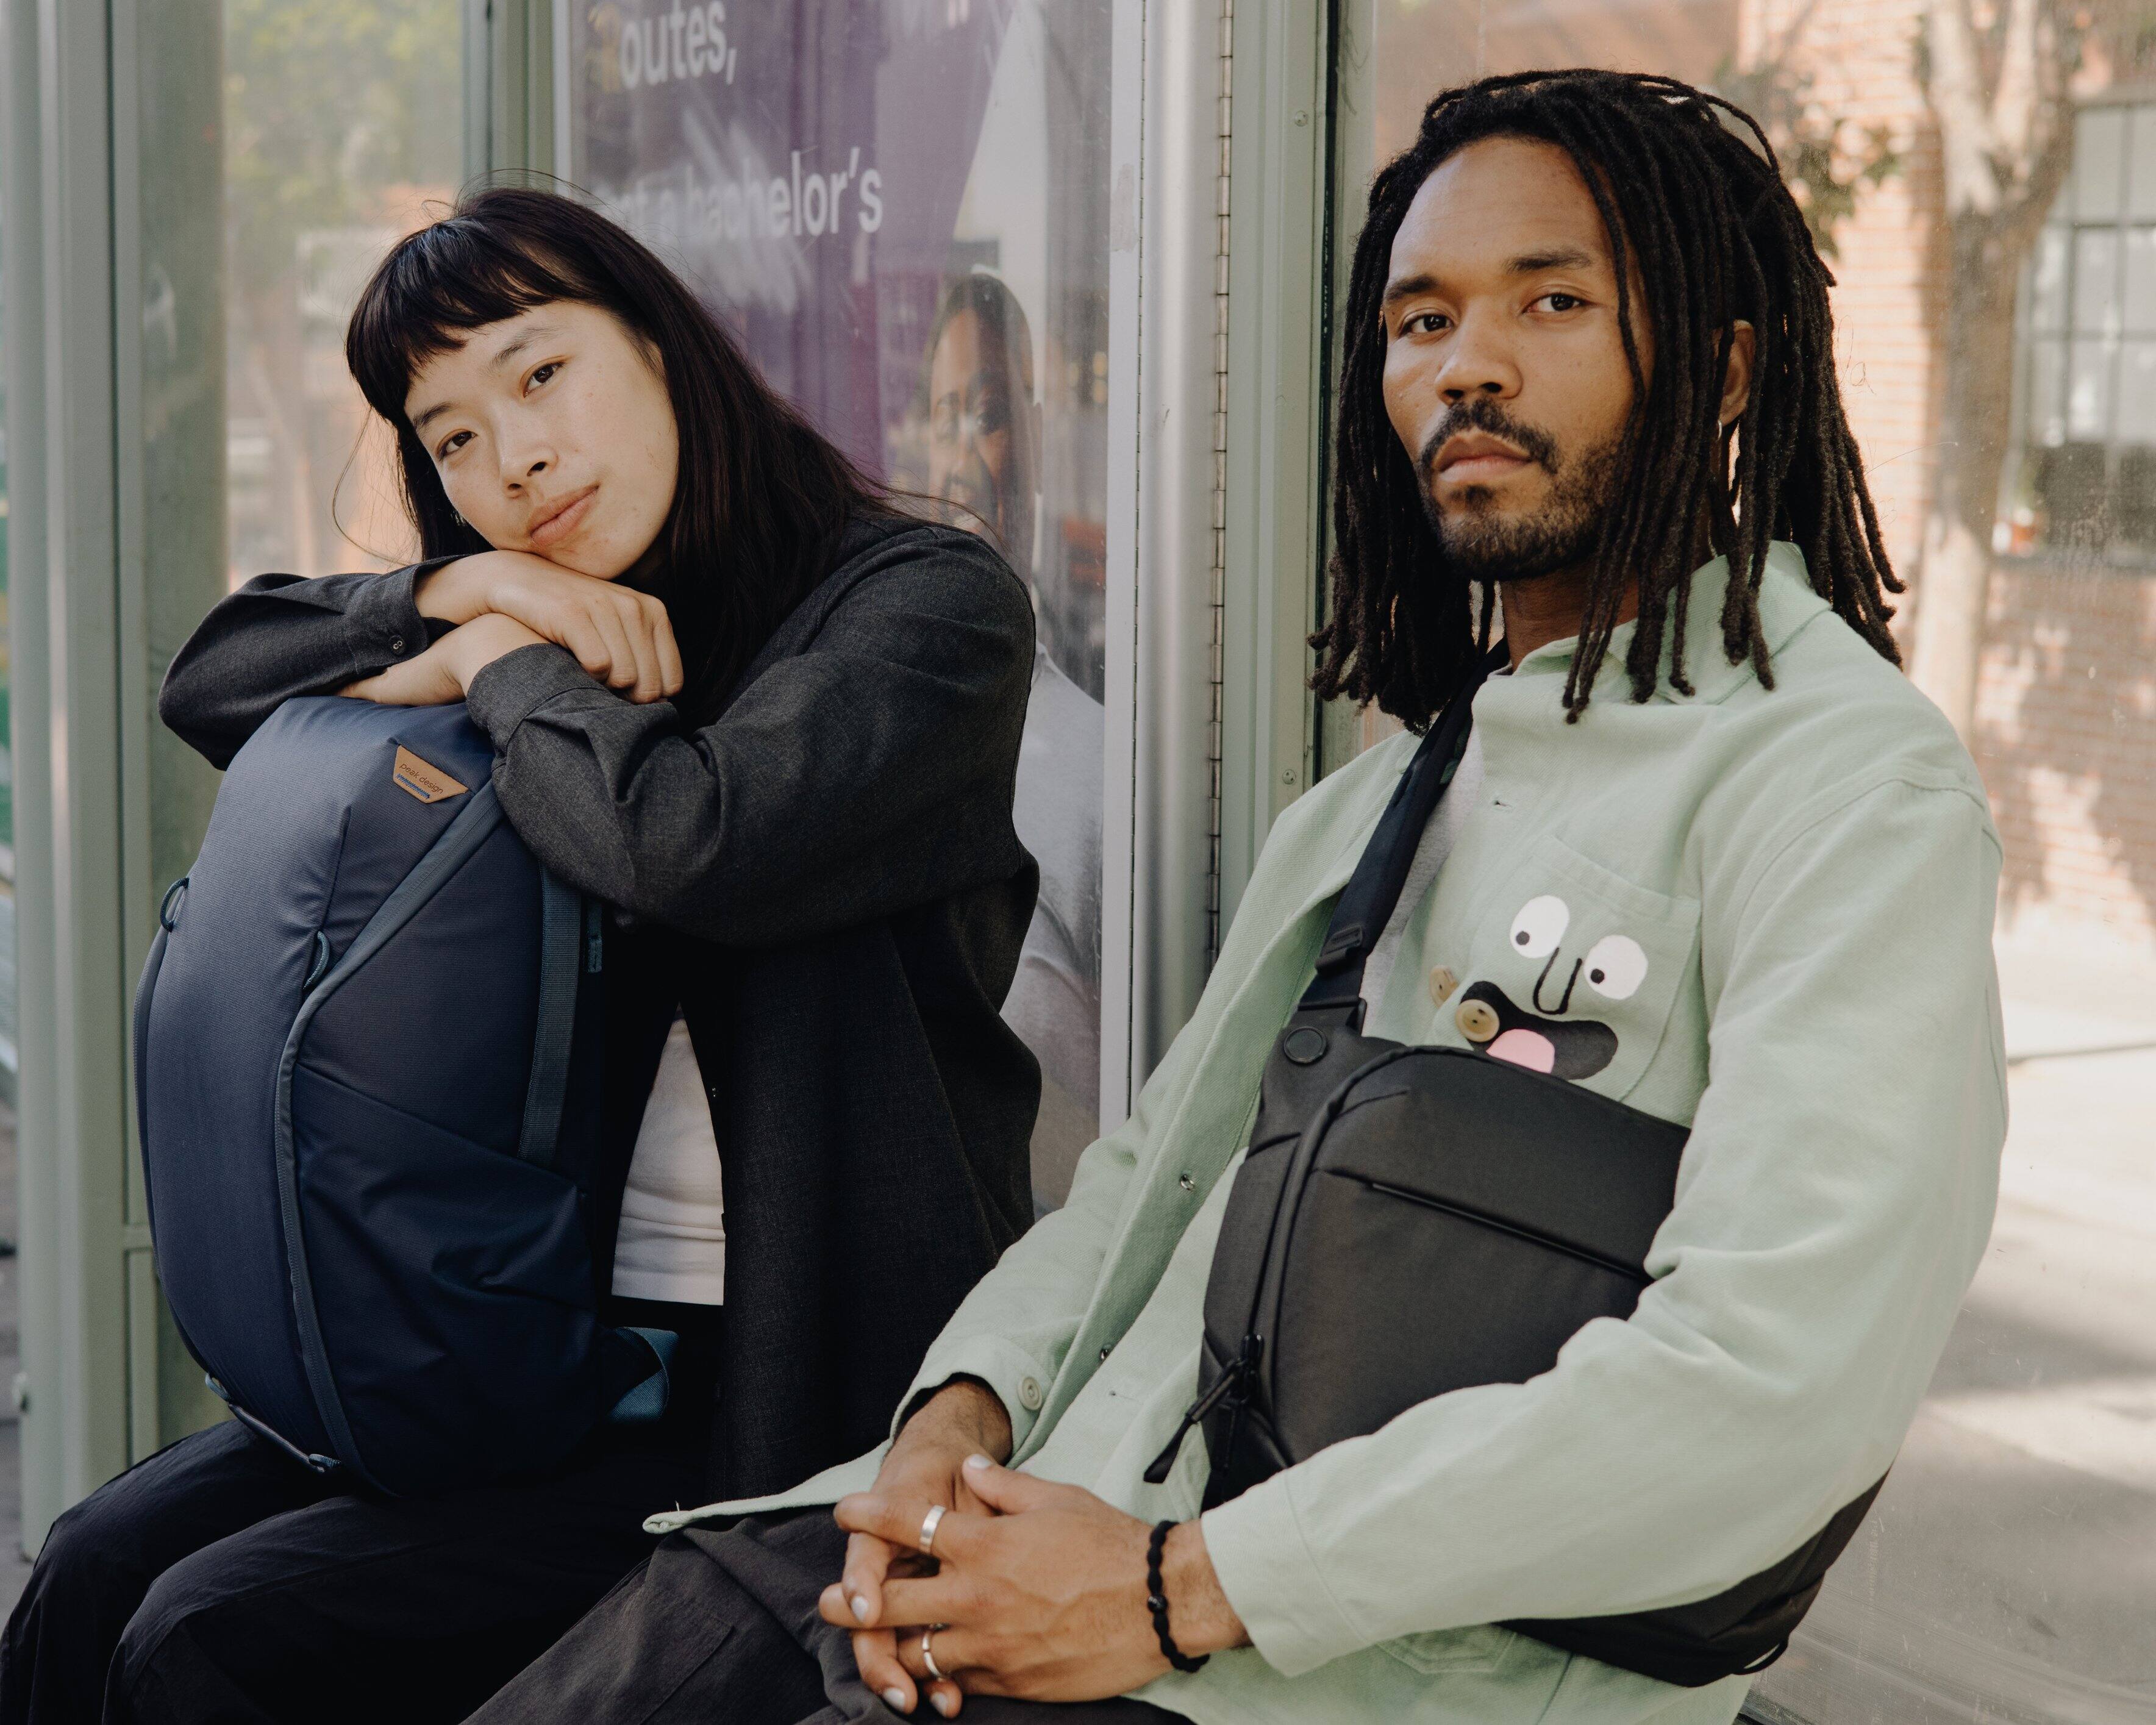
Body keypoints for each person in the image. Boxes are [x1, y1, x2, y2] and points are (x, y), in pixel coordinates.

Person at [469, 68, 2008, 1725]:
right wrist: (954, 1421)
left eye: (1552, 301)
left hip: (1347, 1675)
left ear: (1726, 366)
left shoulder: (1843, 786)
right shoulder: (1379, 803)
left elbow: (1770, 1384)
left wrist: (1171, 1589)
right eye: (1421, 321)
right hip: (1064, 1539)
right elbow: (1149, 1187)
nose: (1467, 364)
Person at [0, 186, 1041, 1724]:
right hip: (517, 1344)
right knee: (92, 1561)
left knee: (206, 1637)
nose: (515, 459)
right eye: (454, 438)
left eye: (541, 374)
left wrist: (500, 663)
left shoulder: (924, 608)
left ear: (665, 345)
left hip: (772, 1393)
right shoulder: (535, 606)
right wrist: (469, 590)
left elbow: (688, 838)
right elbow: (215, 676)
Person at [918, 272, 1106, 1209]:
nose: (962, 453)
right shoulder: (857, 729)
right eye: (941, 416)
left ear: (1036, 437)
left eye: (990, 414)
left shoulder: (1095, 768)